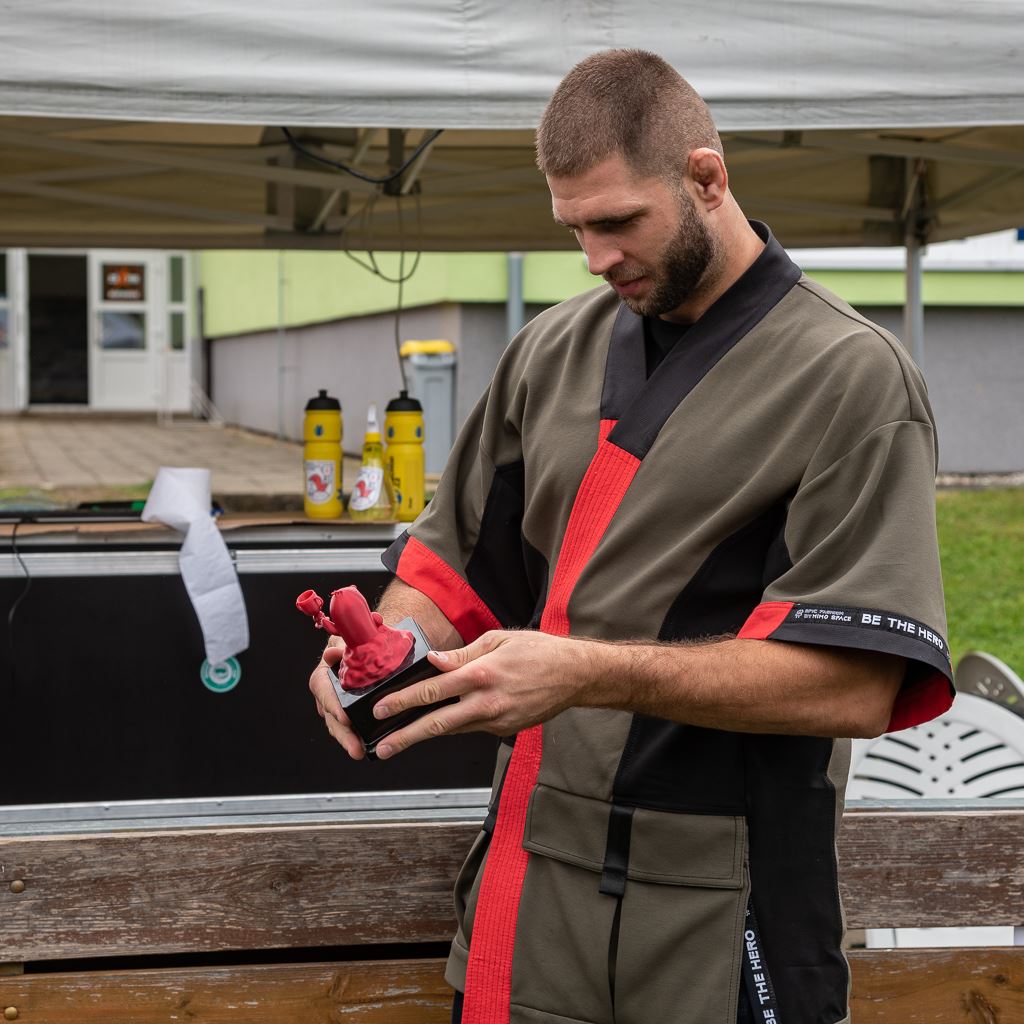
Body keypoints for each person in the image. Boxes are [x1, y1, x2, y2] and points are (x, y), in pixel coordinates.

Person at [310, 49, 952, 1024]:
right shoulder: (548, 349)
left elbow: (856, 685)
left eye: (617, 222)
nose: (595, 257)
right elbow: (452, 569)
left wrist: (585, 671)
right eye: (573, 228)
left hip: (723, 905)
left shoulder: (850, 378)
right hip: (527, 891)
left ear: (706, 176)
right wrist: (386, 648)